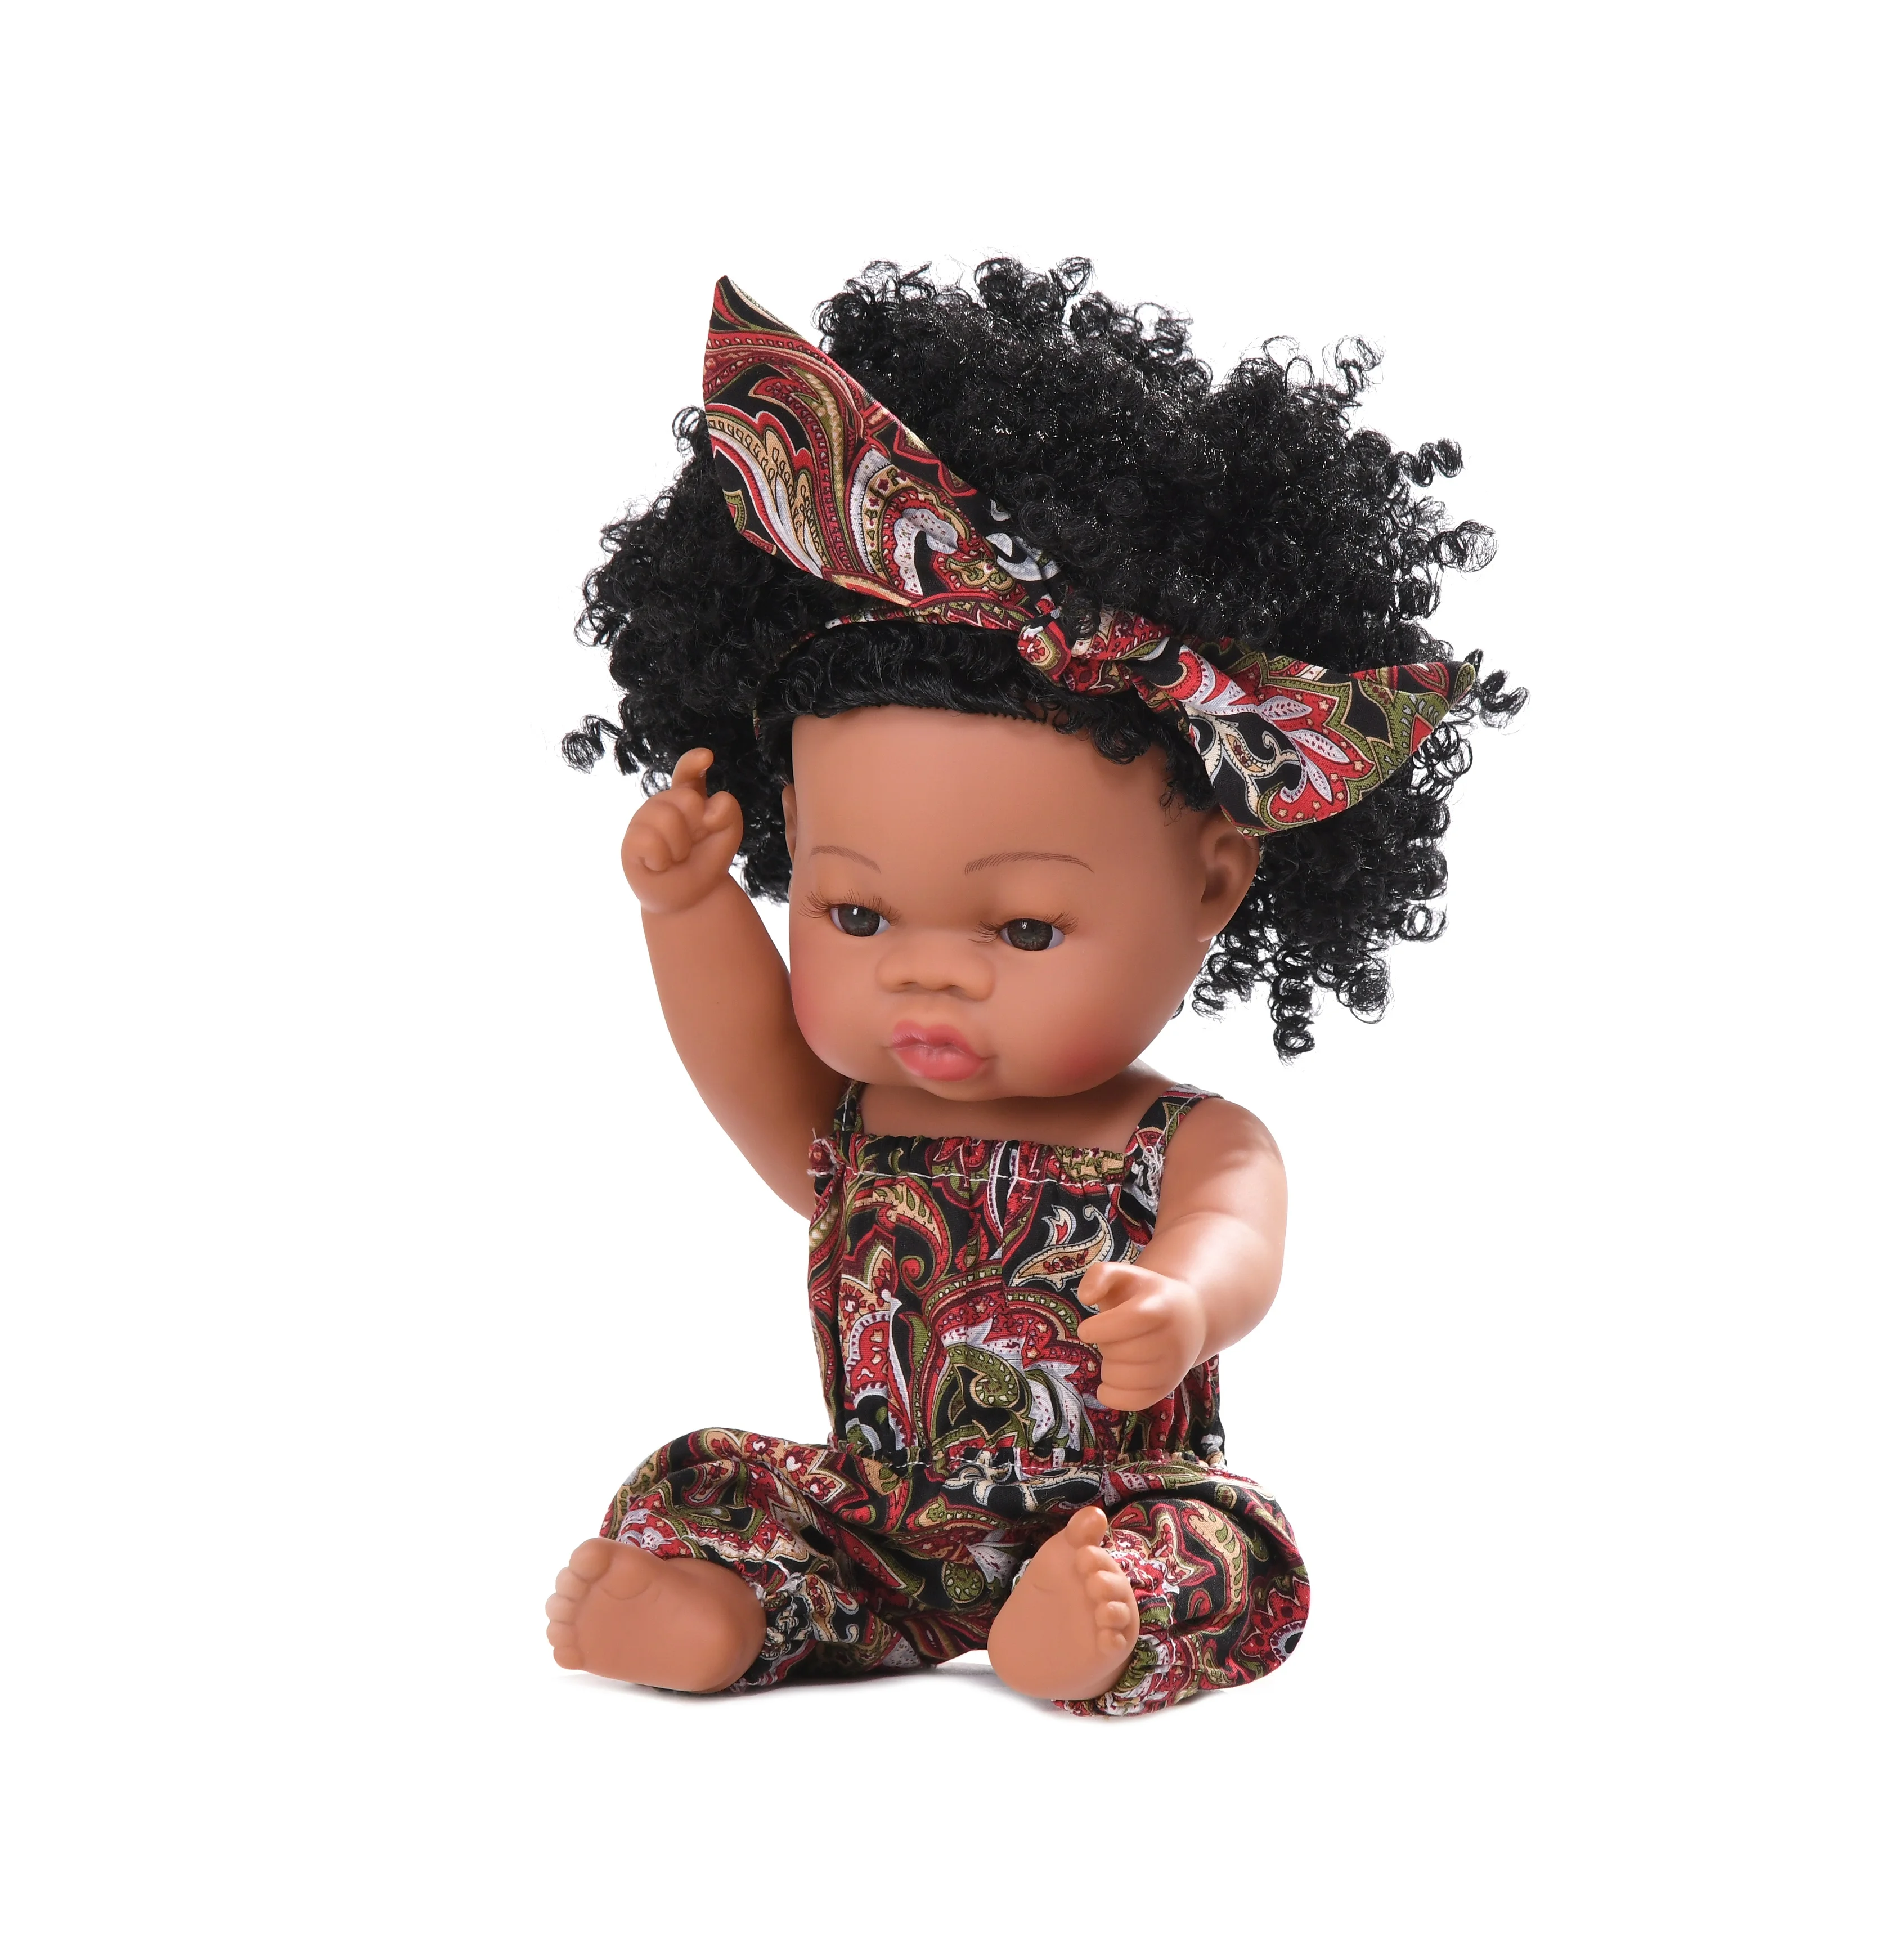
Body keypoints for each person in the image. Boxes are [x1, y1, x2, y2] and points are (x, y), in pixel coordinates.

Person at [543, 262, 1520, 1714]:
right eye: (854, 911)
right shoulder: (859, 1125)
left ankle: (1096, 1623)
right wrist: (688, 908)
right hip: (886, 1518)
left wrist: (1183, 1303)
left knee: (1231, 1550)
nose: (926, 968)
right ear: (791, 840)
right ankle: (736, 1606)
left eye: (1023, 927)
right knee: (715, 1486)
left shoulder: (1187, 1142)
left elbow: (1237, 1236)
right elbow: (745, 1059)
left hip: (1117, 1510)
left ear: (1216, 879)